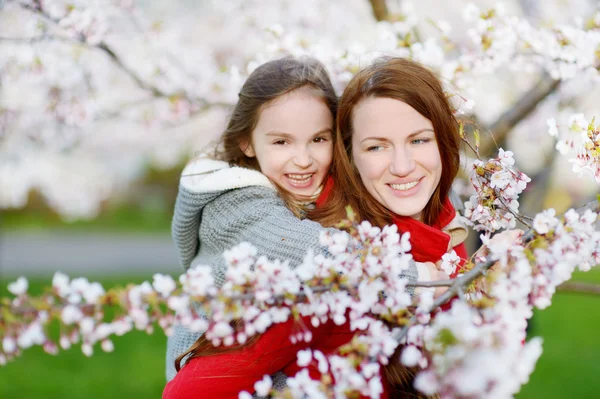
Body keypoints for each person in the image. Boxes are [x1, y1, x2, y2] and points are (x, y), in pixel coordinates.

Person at [163, 56, 423, 398]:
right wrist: (406, 276)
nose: (303, 159)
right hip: (216, 374)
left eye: (318, 139)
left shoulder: (313, 194)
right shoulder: (232, 201)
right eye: (281, 142)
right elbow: (301, 247)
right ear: (247, 143)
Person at [311, 57, 470, 397]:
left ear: (443, 141)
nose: (402, 166)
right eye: (377, 146)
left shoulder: (445, 230)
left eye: (418, 140)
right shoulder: (330, 254)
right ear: (349, 156)